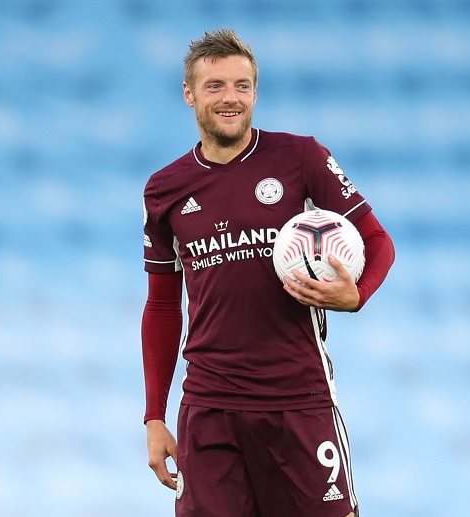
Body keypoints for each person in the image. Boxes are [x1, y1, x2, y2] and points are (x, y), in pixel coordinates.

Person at [141, 28, 395, 517]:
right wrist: (155, 416)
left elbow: (378, 240)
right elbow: (161, 306)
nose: (230, 98)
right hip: (209, 409)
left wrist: (357, 294)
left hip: (298, 400)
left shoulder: (301, 157)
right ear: (189, 94)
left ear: (255, 93)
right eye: (215, 86)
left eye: (242, 85)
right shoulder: (164, 189)